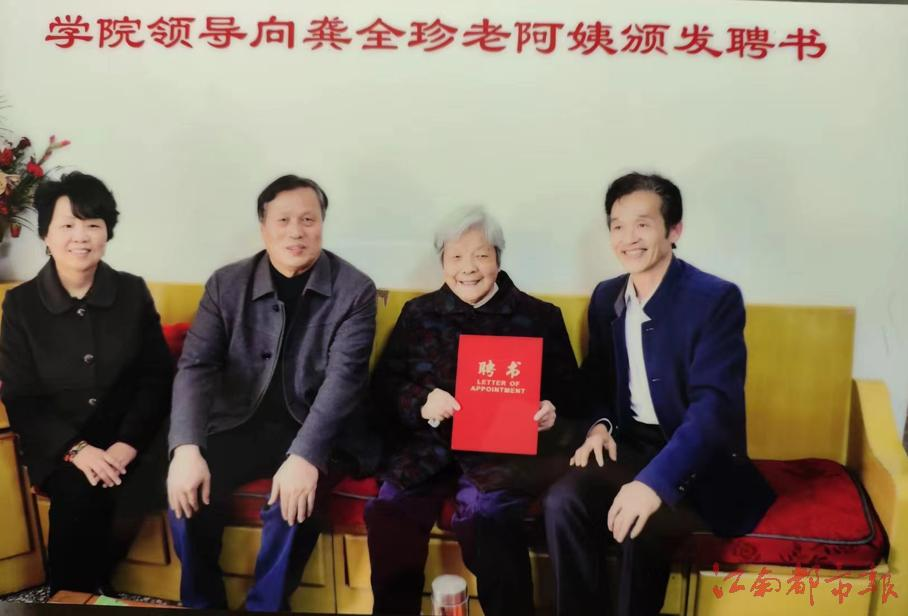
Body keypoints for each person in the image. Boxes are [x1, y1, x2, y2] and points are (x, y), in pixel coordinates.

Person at [543, 173, 776, 616]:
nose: (628, 238)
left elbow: (714, 409)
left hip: (698, 461)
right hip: (632, 446)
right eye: (617, 226)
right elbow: (597, 382)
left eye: (643, 224)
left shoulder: (715, 299)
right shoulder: (606, 297)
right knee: (562, 502)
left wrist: (654, 483)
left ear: (674, 230)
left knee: (640, 523)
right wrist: (599, 427)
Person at [165, 174, 378, 610]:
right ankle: (203, 605)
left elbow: (343, 382)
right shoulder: (226, 284)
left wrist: (305, 457)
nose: (296, 231)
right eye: (283, 220)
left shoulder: (355, 290)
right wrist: (186, 447)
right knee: (186, 492)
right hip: (240, 422)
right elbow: (196, 366)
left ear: (322, 224)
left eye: (308, 219)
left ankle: (266, 608)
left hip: (316, 429)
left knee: (293, 504)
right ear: (263, 227)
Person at [366, 207, 581, 616]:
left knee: (489, 517)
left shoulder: (539, 317)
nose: (468, 268)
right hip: (426, 452)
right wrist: (421, 401)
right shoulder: (418, 314)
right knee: (389, 509)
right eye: (456, 256)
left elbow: (572, 398)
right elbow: (385, 387)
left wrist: (551, 414)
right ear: (442, 261)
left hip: (500, 456)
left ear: (498, 257)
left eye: (481, 255)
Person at [0, 172, 173, 594]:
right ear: (46, 235)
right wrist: (76, 450)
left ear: (107, 233)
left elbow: (156, 377)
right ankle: (71, 594)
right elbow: (21, 396)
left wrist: (127, 444)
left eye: (93, 225)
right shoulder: (21, 305)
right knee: (79, 490)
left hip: (131, 439)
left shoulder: (132, 292)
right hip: (61, 444)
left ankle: (89, 591)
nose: (81, 236)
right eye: (67, 225)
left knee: (134, 484)